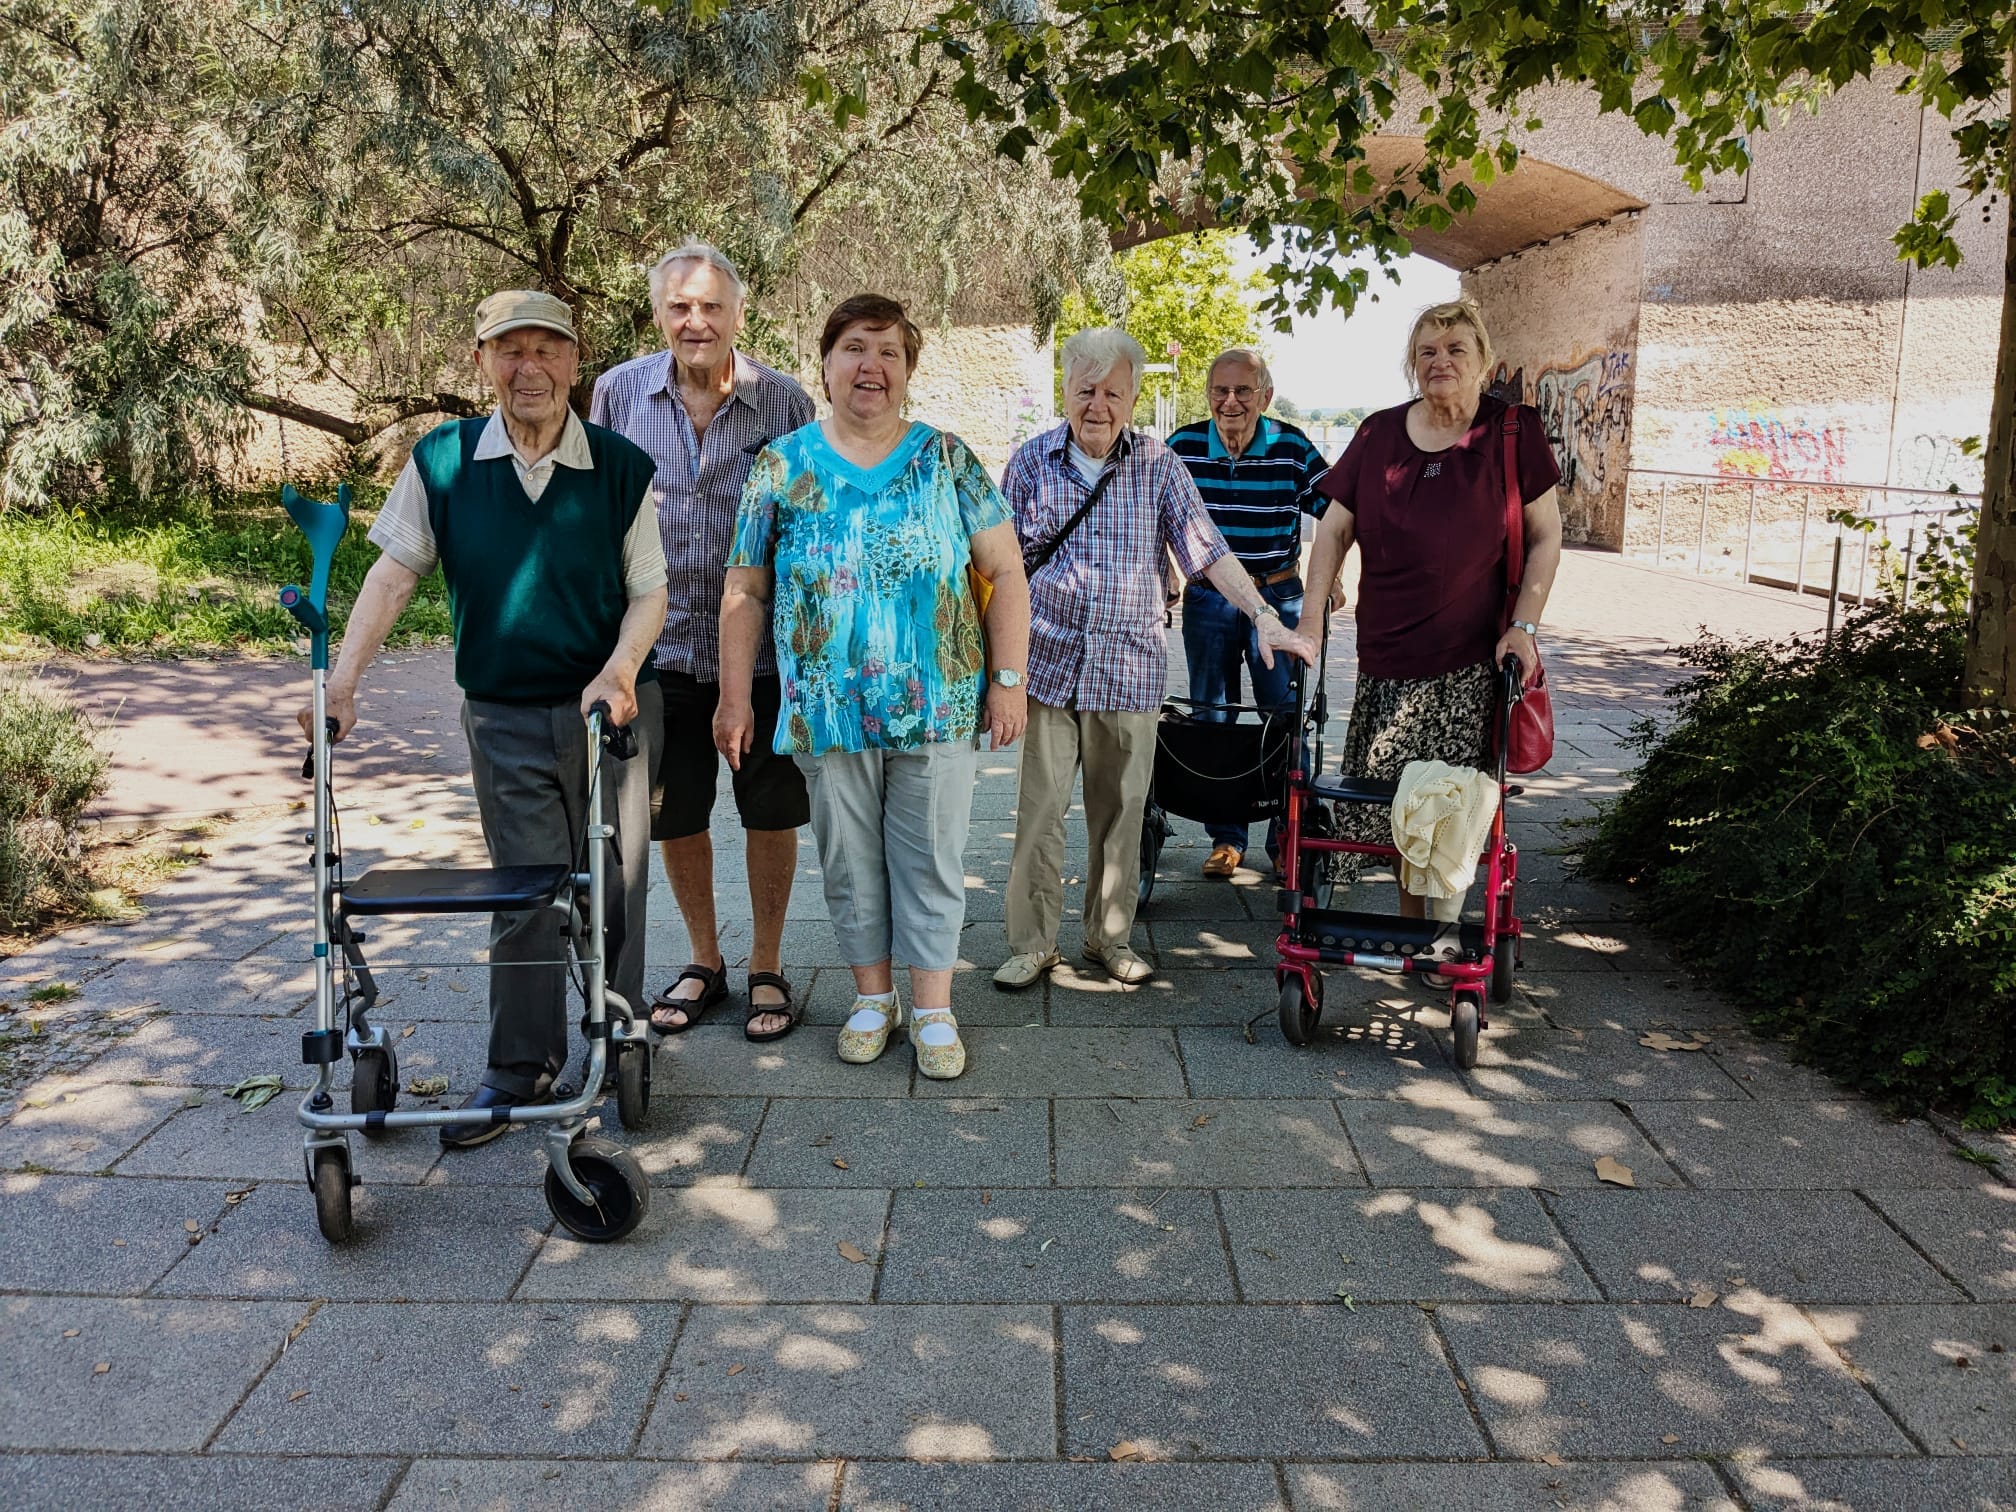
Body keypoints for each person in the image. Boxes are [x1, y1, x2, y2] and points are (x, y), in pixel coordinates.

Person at [302, 289, 668, 1146]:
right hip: (503, 715)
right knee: (528, 891)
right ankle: (521, 1066)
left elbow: (650, 590)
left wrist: (619, 670)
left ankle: (616, 1036)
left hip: (607, 708)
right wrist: (343, 683)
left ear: (576, 364)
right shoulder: (444, 461)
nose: (528, 367)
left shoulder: (618, 467)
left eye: (547, 350)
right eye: (510, 350)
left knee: (616, 883)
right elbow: (394, 575)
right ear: (481, 361)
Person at [718, 294, 1030, 1080]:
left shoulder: (946, 458)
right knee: (850, 861)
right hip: (828, 708)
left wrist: (1008, 682)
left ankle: (932, 1008)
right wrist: (731, 697)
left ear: (908, 371)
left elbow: (1006, 571)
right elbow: (746, 590)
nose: (872, 367)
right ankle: (872, 998)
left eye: (890, 353)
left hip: (937, 701)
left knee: (929, 857)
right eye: (856, 348)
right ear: (824, 365)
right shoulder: (780, 465)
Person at [993, 328, 1317, 992]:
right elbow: (1000, 572)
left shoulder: (1159, 465)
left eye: (1114, 392)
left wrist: (1263, 616)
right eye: (1086, 389)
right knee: (1040, 813)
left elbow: (1207, 551)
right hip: (1047, 669)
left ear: (1134, 397)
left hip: (1128, 670)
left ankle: (1109, 939)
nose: (1098, 404)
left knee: (1122, 813)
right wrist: (997, 670)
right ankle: (1032, 944)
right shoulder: (1028, 464)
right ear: (1066, 390)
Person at [591, 241, 815, 1042]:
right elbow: (595, 516)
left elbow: (809, 522)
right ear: (658, 314)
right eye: (680, 306)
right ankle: (705, 960)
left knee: (769, 810)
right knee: (676, 813)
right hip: (658, 649)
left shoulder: (783, 403)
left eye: (711, 306)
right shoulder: (617, 394)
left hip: (761, 658)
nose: (696, 321)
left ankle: (766, 964)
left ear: (737, 315)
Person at [1301, 297, 1563, 930]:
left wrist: (1522, 629)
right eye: (1426, 351)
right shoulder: (1378, 434)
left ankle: (1440, 936)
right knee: (1398, 811)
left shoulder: (1512, 430)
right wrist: (1311, 624)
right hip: (1388, 659)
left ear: (1483, 361)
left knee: (1452, 808)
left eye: (1455, 349)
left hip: (1473, 661)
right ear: (1411, 364)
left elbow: (1546, 538)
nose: (1439, 361)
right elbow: (1333, 534)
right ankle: (1414, 929)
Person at [1167, 347, 1329, 877]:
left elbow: (1339, 512)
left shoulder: (1291, 447)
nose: (1230, 402)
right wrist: (1162, 573)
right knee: (1212, 714)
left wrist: (1337, 579)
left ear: (1266, 395)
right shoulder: (1182, 446)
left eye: (1242, 391)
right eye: (1220, 390)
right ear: (1208, 393)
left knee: (1282, 715)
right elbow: (1150, 512)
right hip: (1209, 600)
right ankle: (1227, 836)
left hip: (1278, 597)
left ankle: (1287, 831)